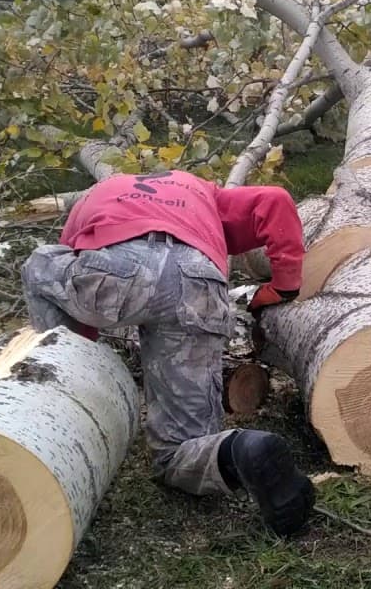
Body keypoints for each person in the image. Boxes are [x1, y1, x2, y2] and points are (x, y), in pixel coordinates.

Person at [21, 169, 316, 535]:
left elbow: (73, 263)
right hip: (198, 282)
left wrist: (84, 345)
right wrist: (285, 285)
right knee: (180, 449)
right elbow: (275, 199)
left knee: (42, 264)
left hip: (117, 271)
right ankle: (242, 450)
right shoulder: (204, 191)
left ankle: (64, 391)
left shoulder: (99, 193)